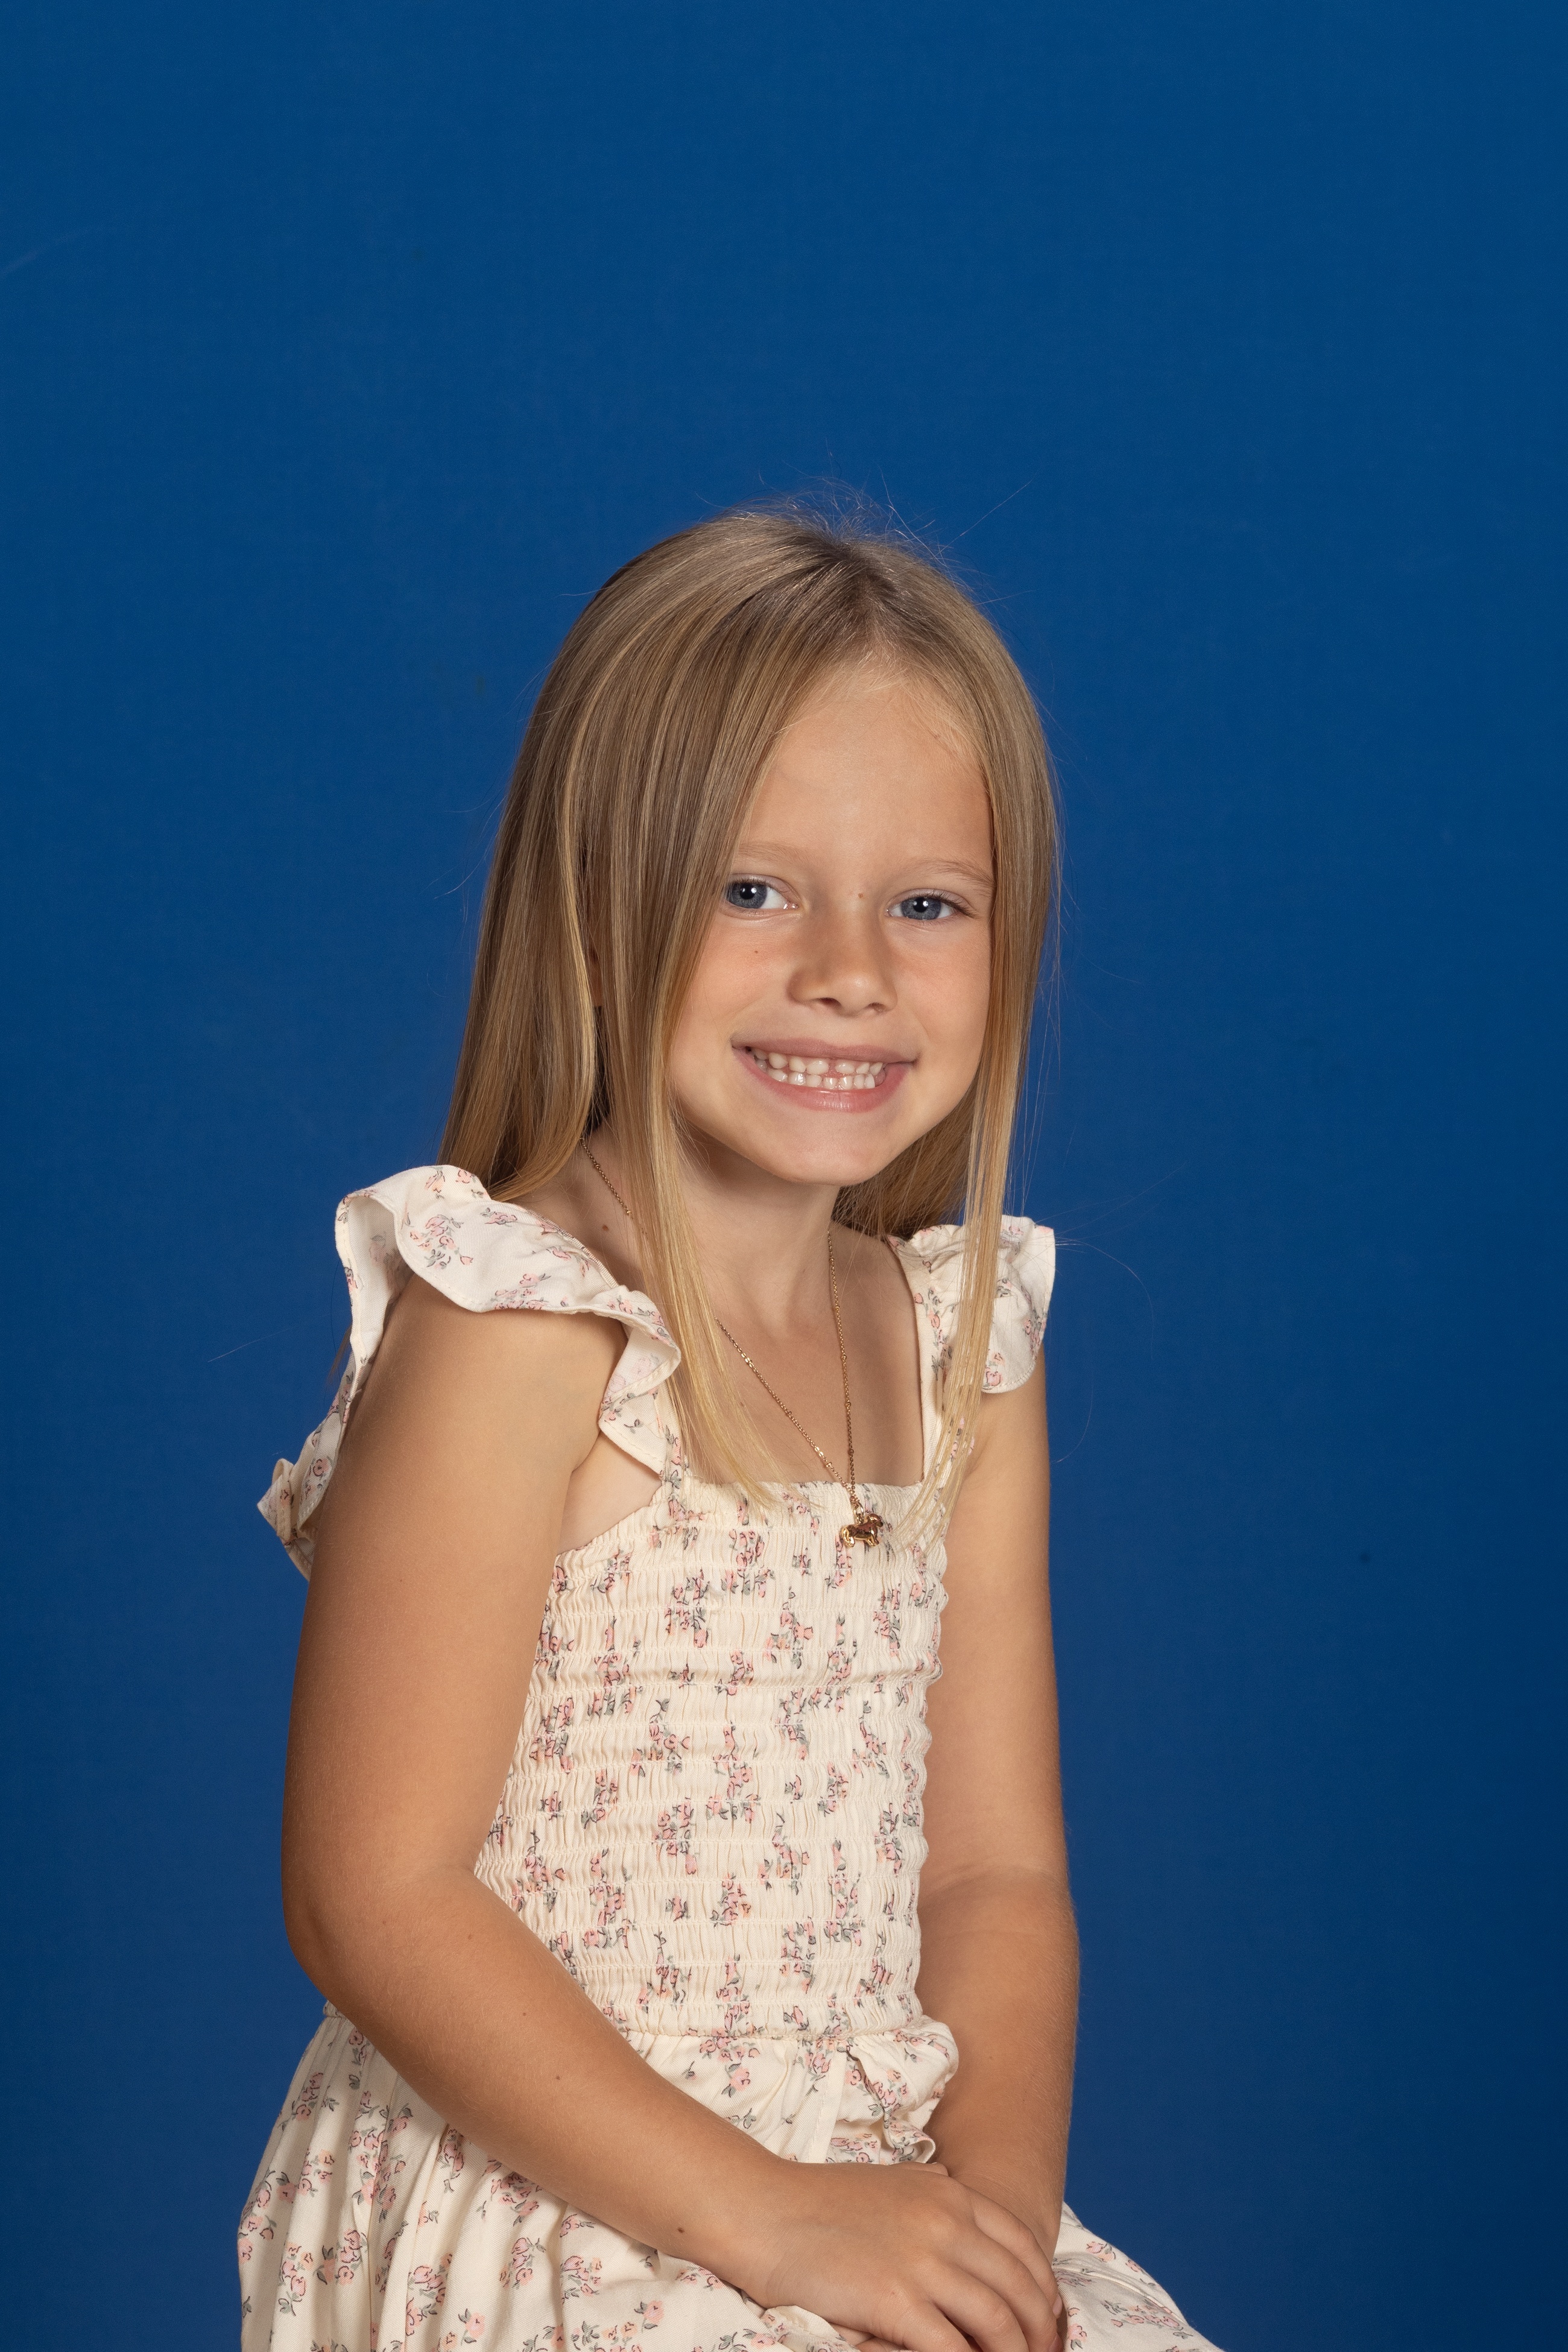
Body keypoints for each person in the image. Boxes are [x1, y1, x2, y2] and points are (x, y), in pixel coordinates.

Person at [241, 506, 1219, 2352]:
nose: (850, 967)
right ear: (602, 903)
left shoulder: (961, 1352)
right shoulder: (523, 1326)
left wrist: (993, 2233)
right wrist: (771, 2218)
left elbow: (996, 1872)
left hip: (870, 2171)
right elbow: (374, 1891)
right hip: (566, 2180)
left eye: (927, 904)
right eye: (756, 888)